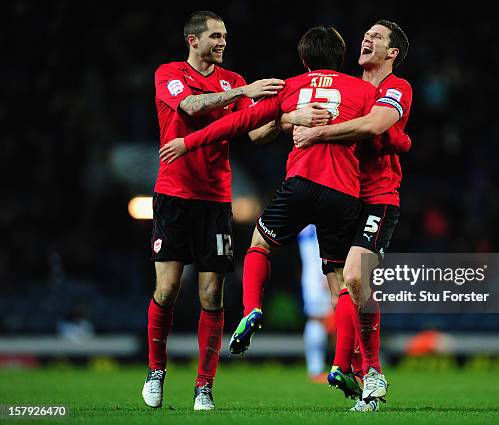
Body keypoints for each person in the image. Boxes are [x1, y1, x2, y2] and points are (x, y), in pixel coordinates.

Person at [159, 26, 386, 378]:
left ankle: (252, 308)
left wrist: (189, 143)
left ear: (304, 58)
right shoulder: (363, 90)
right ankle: (343, 365)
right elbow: (383, 138)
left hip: (299, 184)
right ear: (342, 58)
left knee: (259, 244)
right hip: (343, 192)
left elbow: (240, 124)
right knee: (341, 280)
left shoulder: (290, 86)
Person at [142, 10, 291, 411]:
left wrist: (285, 115)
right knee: (168, 289)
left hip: (216, 200)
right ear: (193, 40)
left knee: (212, 294)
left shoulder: (235, 81)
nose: (223, 42)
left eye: (225, 36)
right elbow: (190, 106)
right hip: (174, 194)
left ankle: (204, 387)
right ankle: (156, 373)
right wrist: (242, 95)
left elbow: (255, 132)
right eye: (216, 36)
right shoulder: (170, 73)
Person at [292, 20, 412, 412]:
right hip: (339, 195)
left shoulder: (396, 88)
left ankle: (373, 371)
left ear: (392, 52)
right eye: (366, 35)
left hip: (377, 197)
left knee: (357, 276)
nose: (367, 39)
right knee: (339, 293)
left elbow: (376, 124)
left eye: (377, 38)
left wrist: (319, 133)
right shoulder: (348, 87)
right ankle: (358, 375)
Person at [298, 225, 333, 383]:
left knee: (327, 318)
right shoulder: (315, 217)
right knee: (317, 318)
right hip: (318, 275)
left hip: (317, 273)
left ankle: (321, 368)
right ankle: (315, 369)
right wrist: (325, 275)